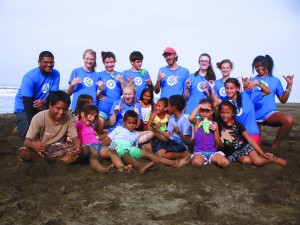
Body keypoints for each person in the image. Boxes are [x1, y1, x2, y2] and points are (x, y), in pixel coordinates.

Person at [103, 110, 190, 174]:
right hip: (118, 146)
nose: (132, 125)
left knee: (148, 154)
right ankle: (139, 166)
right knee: (126, 154)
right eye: (129, 123)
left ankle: (174, 163)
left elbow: (135, 146)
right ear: (123, 122)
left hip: (130, 147)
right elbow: (108, 141)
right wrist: (101, 148)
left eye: (134, 123)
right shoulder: (118, 129)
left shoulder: (135, 134)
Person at [17, 91, 89, 163]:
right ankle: (61, 161)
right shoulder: (38, 118)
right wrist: (33, 145)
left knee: (85, 149)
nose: (61, 112)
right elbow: (27, 141)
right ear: (50, 105)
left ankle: (51, 162)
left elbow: (75, 139)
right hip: (42, 149)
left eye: (65, 109)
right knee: (23, 153)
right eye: (58, 108)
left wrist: (77, 144)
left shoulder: (69, 118)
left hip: (60, 148)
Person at [218, 100, 287, 166]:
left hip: (245, 147)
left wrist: (262, 154)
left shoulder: (238, 125)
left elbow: (250, 140)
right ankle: (255, 157)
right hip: (233, 152)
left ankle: (271, 159)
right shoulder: (218, 124)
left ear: (233, 113)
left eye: (228, 112)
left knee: (258, 162)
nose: (224, 115)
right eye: (222, 112)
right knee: (246, 160)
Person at [250, 55, 294, 150]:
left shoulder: (275, 80)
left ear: (266, 65)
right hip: (254, 116)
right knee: (256, 147)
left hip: (269, 114)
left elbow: (283, 100)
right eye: (256, 66)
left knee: (289, 120)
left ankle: (274, 145)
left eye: (261, 65)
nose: (259, 68)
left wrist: (289, 85)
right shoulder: (252, 80)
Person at [14, 51, 60, 142]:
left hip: (41, 104)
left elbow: (53, 94)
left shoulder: (56, 74)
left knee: (46, 131)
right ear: (39, 62)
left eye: (51, 62)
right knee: (28, 135)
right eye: (45, 62)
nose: (49, 65)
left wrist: (44, 101)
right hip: (24, 106)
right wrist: (32, 125)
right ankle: (20, 126)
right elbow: (27, 103)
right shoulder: (30, 77)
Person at [76, 104, 132, 174]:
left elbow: (95, 136)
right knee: (94, 157)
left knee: (112, 151)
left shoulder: (90, 126)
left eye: (95, 116)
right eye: (91, 114)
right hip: (89, 147)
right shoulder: (78, 124)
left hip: (99, 145)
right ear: (82, 113)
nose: (93, 118)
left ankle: (121, 167)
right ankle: (100, 169)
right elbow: (72, 131)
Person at [223, 78, 270, 145]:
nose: (229, 90)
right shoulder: (225, 102)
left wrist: (257, 83)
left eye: (232, 88)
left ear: (237, 88)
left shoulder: (246, 95)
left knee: (252, 154)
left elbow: (267, 91)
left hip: (252, 134)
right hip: (237, 136)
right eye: (227, 88)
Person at [189, 98, 230, 168]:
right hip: (199, 152)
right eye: (202, 110)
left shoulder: (214, 124)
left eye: (207, 111)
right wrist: (199, 106)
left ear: (212, 112)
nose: (204, 113)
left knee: (225, 163)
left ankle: (209, 160)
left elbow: (217, 141)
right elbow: (190, 118)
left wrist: (215, 131)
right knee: (197, 163)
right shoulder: (197, 122)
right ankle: (196, 159)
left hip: (212, 152)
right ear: (199, 111)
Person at [150, 95, 192, 159]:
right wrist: (156, 129)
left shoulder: (185, 120)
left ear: (173, 107)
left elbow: (188, 141)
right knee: (146, 147)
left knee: (161, 154)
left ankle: (183, 154)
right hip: (171, 142)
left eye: (168, 105)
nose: (168, 108)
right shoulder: (172, 117)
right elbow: (169, 135)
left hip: (181, 145)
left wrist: (179, 133)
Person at [97, 51, 124, 134]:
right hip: (103, 109)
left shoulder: (120, 75)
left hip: (117, 109)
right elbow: (96, 95)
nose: (109, 65)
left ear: (115, 62)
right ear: (103, 63)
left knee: (119, 132)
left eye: (111, 62)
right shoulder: (99, 75)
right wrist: (101, 90)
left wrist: (122, 82)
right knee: (98, 130)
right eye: (107, 62)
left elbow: (124, 93)